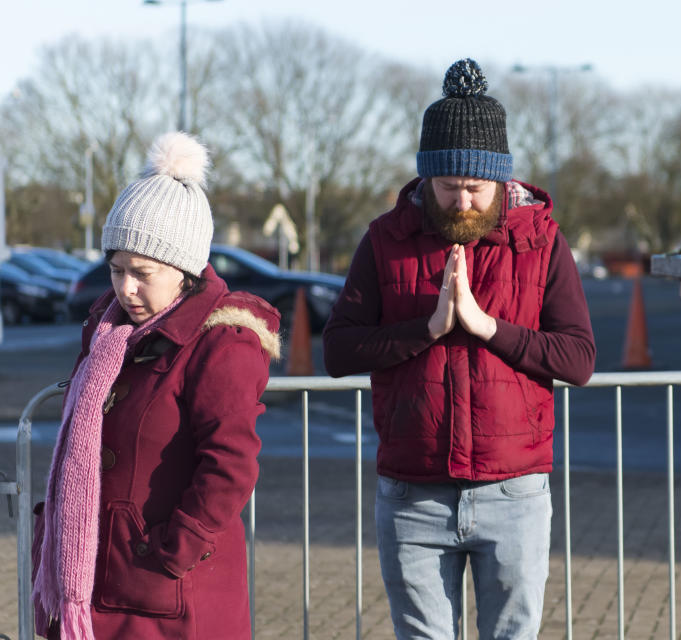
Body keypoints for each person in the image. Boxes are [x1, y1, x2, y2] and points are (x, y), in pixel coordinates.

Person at [322, 58, 596, 639]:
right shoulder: (384, 238)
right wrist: (429, 327)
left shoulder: (543, 241)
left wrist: (486, 326)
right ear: (426, 181)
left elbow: (578, 359)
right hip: (412, 495)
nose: (464, 202)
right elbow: (339, 351)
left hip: (515, 492)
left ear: (500, 181)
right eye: (449, 187)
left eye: (477, 188)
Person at [32, 132, 280, 640]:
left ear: (184, 269)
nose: (125, 288)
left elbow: (230, 464)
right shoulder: (109, 334)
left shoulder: (221, 343)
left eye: (142, 273)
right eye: (117, 269)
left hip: (171, 597)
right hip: (104, 582)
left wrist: (173, 549)